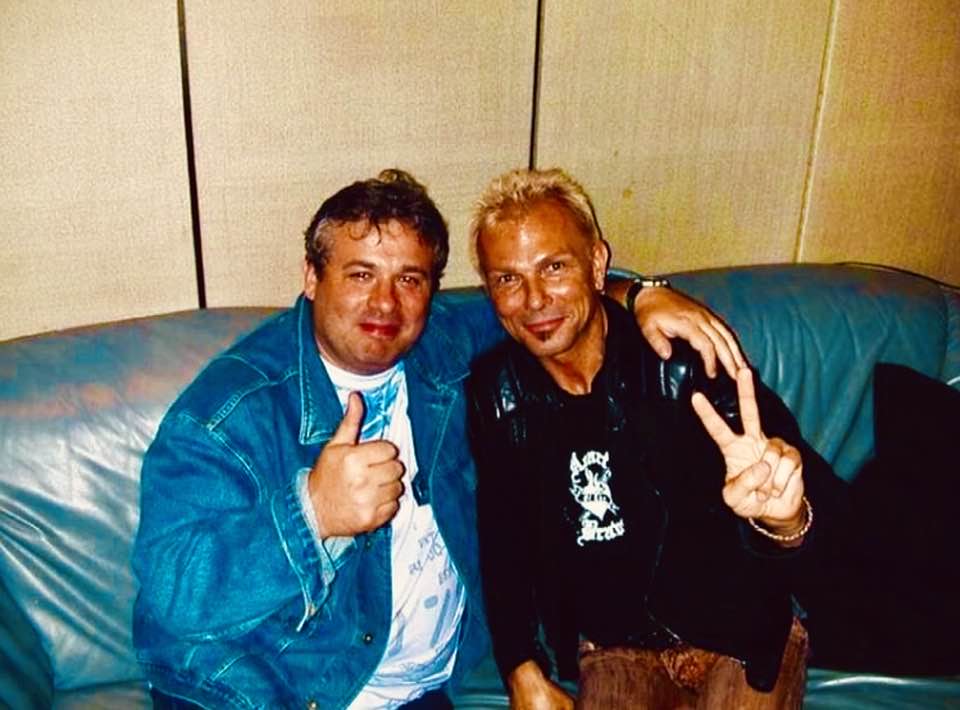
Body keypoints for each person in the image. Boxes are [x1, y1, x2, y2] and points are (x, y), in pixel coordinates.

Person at [132, 169, 745, 710]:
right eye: (361, 274)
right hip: (275, 688)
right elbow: (171, 592)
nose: (385, 303)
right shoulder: (227, 414)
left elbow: (543, 300)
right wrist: (312, 513)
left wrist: (642, 292)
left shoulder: (440, 345)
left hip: (422, 690)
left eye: (410, 279)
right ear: (312, 277)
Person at [466, 168, 838, 709]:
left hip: (741, 631)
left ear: (597, 264)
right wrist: (518, 664)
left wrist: (783, 523)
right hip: (615, 648)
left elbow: (823, 511)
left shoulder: (686, 361)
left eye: (554, 267)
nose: (534, 299)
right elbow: (503, 540)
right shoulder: (496, 394)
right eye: (507, 279)